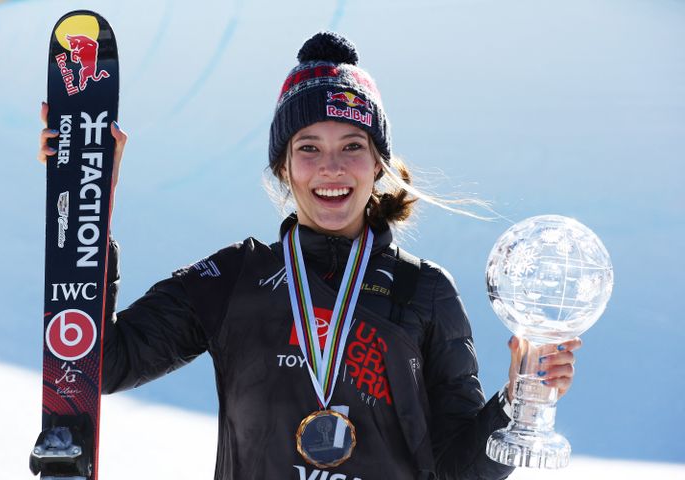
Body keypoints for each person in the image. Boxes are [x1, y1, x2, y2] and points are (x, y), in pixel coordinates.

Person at [38, 31, 580, 480]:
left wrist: (519, 397)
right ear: (282, 168)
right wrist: (90, 206)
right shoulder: (234, 278)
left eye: (352, 146)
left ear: (378, 165)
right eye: (308, 148)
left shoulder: (425, 292)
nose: (332, 168)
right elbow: (99, 367)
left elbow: (458, 469)